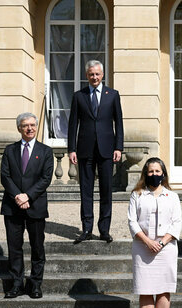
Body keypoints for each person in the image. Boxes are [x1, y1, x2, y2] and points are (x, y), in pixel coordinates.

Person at [127, 157, 182, 308]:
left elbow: (177, 223)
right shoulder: (137, 194)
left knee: (163, 289)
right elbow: (132, 222)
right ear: (145, 173)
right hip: (143, 247)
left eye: (158, 171)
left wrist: (161, 241)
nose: (154, 175)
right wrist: (148, 241)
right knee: (145, 288)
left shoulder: (172, 196)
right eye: (151, 172)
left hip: (165, 249)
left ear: (163, 173)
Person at [68, 60, 124, 244]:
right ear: (87, 75)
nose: (94, 77)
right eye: (91, 74)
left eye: (97, 74)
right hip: (84, 150)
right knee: (86, 191)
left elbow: (119, 123)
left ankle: (104, 230)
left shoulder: (112, 95)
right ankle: (86, 229)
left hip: (107, 149)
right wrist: (71, 149)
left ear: (102, 75)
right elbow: (72, 124)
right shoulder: (78, 96)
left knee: (106, 190)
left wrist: (118, 147)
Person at [0, 113, 54, 299]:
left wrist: (27, 196)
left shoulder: (46, 151)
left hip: (35, 205)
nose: (30, 128)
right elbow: (5, 177)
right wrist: (17, 196)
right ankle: (17, 284)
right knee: (14, 247)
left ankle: (35, 284)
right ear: (19, 128)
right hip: (12, 206)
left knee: (37, 247)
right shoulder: (9, 150)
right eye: (25, 125)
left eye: (32, 125)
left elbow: (46, 178)